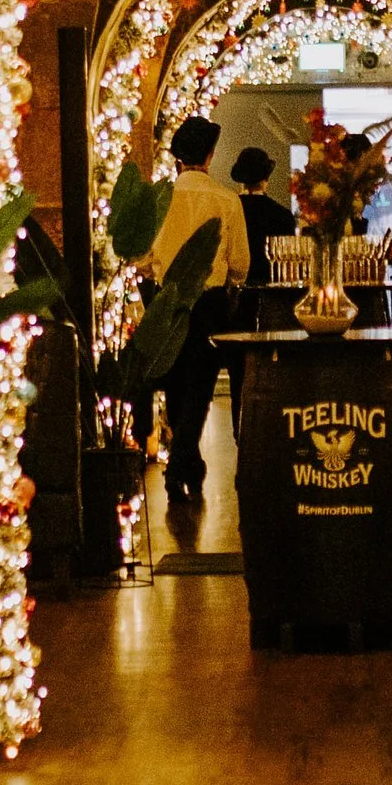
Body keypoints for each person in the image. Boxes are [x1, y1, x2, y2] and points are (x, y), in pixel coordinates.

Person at [147, 115, 249, 504]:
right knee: (201, 385)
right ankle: (183, 464)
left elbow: (141, 256)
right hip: (209, 302)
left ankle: (186, 462)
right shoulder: (226, 200)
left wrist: (156, 268)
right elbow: (240, 263)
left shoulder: (159, 199)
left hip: (167, 299)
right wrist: (231, 282)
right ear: (209, 156)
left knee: (175, 382)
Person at [228, 144, 296, 299]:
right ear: (266, 178)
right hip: (273, 295)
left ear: (240, 179)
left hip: (234, 294)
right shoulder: (282, 215)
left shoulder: (229, 210)